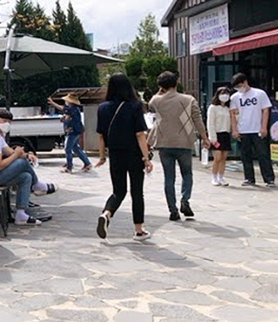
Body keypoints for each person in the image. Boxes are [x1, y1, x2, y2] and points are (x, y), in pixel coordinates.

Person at [94, 73, 153, 241]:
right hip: (134, 154)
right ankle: (139, 230)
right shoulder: (134, 106)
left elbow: (101, 136)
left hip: (115, 154)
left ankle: (106, 213)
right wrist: (146, 158)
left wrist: (102, 156)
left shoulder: (103, 107)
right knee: (137, 192)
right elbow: (140, 135)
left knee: (118, 191)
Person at [148, 71, 210, 221]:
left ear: (161, 86)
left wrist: (160, 90)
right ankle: (185, 200)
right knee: (187, 174)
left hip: (164, 143)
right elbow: (197, 120)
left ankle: (172, 210)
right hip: (184, 142)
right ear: (177, 83)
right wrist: (204, 137)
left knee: (169, 177)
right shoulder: (189, 100)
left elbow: (150, 104)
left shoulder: (157, 101)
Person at [0, 109, 57, 226]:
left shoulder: (0, 138)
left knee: (25, 177)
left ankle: (21, 213)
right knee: (22, 163)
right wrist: (17, 155)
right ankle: (37, 185)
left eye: (9, 122)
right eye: (3, 121)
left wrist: (26, 154)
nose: (6, 124)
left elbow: (10, 152)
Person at [229, 72, 275, 187]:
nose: (239, 89)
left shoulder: (259, 94)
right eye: (236, 87)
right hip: (243, 129)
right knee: (245, 155)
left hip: (257, 129)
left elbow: (265, 110)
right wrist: (234, 130)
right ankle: (249, 178)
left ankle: (269, 179)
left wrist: (264, 127)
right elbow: (233, 114)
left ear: (245, 82)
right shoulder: (235, 97)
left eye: (239, 85)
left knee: (263, 154)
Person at [49, 93, 92, 173]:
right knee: (75, 148)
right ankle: (87, 163)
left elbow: (62, 108)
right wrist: (64, 119)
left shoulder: (72, 109)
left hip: (73, 131)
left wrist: (53, 103)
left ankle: (69, 167)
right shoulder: (73, 109)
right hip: (75, 130)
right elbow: (68, 117)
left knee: (67, 148)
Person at [206, 86, 233, 187]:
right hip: (216, 134)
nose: (225, 96)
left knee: (223, 158)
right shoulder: (213, 108)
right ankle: (214, 176)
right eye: (222, 93)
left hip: (225, 134)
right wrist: (212, 138)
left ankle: (221, 176)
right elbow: (210, 123)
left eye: (226, 93)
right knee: (217, 157)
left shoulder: (227, 108)